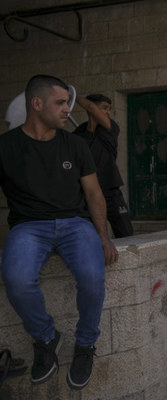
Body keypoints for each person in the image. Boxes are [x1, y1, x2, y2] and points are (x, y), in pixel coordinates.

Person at [0, 75, 119, 390]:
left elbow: (94, 194)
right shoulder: (6, 146)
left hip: (74, 223)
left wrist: (103, 237)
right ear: (36, 104)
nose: (68, 109)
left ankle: (85, 344)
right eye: (61, 103)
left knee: (93, 280)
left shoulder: (75, 144)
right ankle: (46, 337)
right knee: (16, 279)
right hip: (28, 226)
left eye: (68, 102)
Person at [73, 93, 133, 238]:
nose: (107, 112)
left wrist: (71, 95)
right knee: (93, 236)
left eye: (109, 109)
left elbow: (91, 108)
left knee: (126, 233)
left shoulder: (111, 128)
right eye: (104, 108)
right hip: (89, 193)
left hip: (111, 190)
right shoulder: (79, 133)